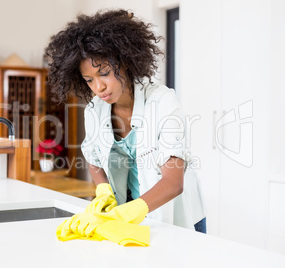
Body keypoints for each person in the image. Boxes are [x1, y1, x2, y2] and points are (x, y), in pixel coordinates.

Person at [45, 9, 206, 237]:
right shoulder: (94, 110)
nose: (98, 87)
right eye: (89, 80)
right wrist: (103, 191)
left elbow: (173, 183)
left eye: (105, 73)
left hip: (177, 217)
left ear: (125, 62)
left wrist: (127, 213)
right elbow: (92, 156)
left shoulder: (163, 102)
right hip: (131, 216)